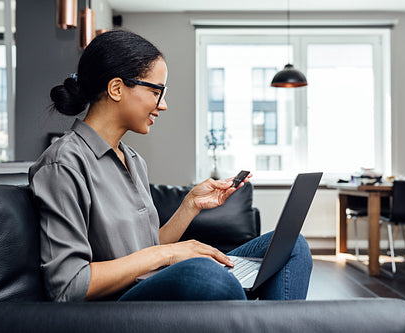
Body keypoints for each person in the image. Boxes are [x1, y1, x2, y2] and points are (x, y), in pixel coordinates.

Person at [29, 29, 312, 302]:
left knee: (292, 246)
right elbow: (68, 285)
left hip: (148, 283)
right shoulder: (63, 164)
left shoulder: (133, 160)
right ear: (116, 88)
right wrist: (170, 254)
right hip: (114, 307)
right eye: (156, 92)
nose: (162, 105)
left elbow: (149, 248)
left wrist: (190, 204)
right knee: (206, 275)